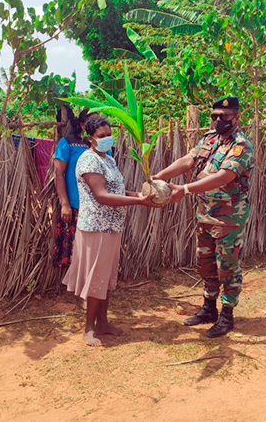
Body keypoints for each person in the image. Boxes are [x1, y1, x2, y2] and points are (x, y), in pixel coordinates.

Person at [152, 96, 253, 338]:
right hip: (205, 213)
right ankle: (209, 309)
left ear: (236, 118)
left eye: (224, 116)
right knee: (205, 263)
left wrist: (184, 190)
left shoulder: (241, 145)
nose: (218, 120)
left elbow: (223, 177)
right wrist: (159, 177)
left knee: (227, 267)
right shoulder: (209, 138)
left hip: (229, 217)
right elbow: (188, 160)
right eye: (215, 116)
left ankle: (227, 315)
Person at [62, 114, 159, 347]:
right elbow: (102, 196)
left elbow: (117, 190)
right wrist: (139, 202)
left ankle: (103, 323)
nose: (107, 139)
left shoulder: (108, 159)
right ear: (90, 138)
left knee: (105, 276)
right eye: (101, 136)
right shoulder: (88, 161)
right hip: (96, 227)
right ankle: (89, 328)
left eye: (109, 135)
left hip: (112, 226)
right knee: (97, 276)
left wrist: (139, 195)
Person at [53, 107, 91, 269]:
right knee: (72, 248)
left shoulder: (103, 147)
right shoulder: (68, 142)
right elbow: (58, 173)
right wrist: (65, 204)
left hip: (95, 206)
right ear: (82, 124)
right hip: (74, 205)